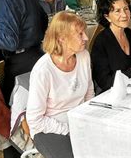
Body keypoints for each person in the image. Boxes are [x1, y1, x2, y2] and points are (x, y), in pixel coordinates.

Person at [26, 12, 94, 158]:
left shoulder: (83, 56)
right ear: (62, 38)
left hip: (78, 119)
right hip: (48, 128)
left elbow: (89, 93)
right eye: (80, 34)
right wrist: (67, 129)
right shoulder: (43, 70)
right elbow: (35, 119)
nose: (86, 38)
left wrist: (90, 120)